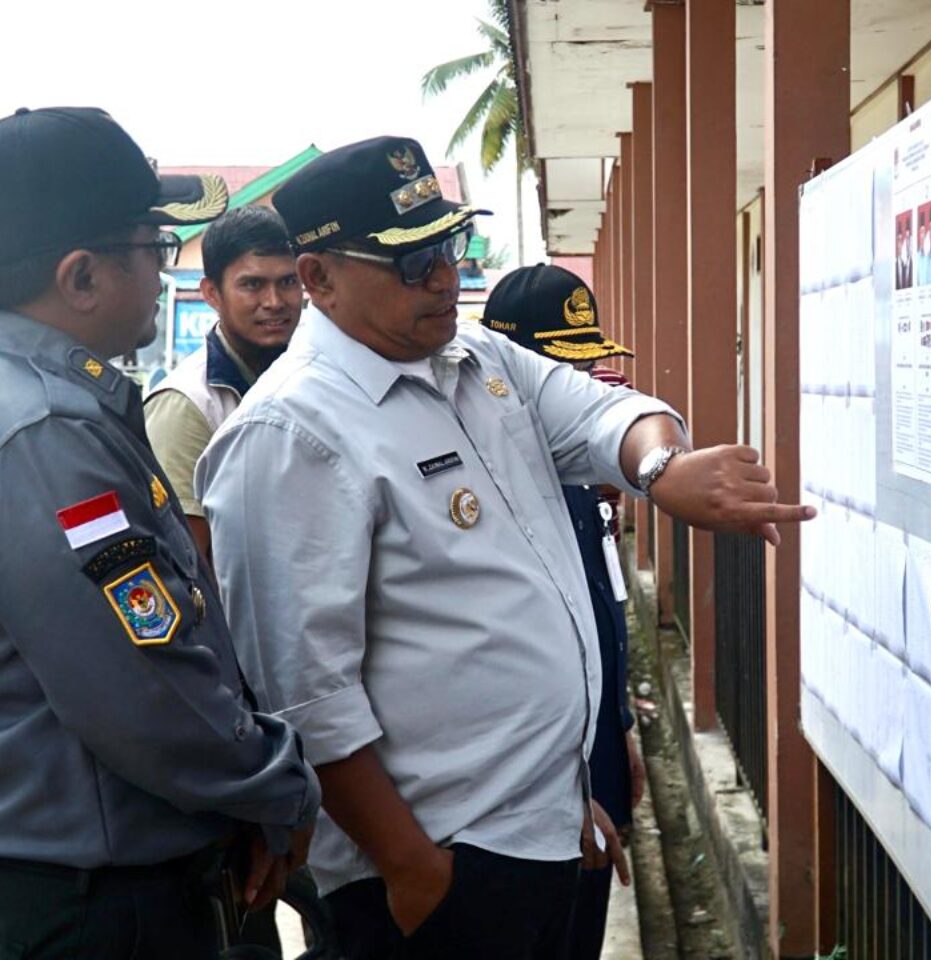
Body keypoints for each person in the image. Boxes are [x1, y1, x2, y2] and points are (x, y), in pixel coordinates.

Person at [195, 134, 813, 960]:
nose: (445, 278)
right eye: (409, 263)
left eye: (446, 247)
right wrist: (415, 871)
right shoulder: (293, 433)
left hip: (543, 829)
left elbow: (604, 416)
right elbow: (308, 697)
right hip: (434, 871)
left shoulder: (475, 358)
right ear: (319, 278)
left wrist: (662, 467)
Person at [0, 105, 319, 960]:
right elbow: (145, 684)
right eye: (154, 245)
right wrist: (275, 785)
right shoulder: (46, 435)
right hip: (93, 905)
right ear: (80, 277)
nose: (164, 266)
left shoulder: (53, 408)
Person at [482, 265, 644, 960]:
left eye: (586, 365)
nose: (574, 386)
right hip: (533, 789)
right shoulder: (485, 484)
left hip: (595, 753)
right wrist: (562, 792)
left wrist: (622, 728)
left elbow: (597, 619)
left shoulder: (571, 469)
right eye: (556, 365)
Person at [145, 205, 304, 560]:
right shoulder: (187, 404)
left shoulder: (318, 376)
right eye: (252, 285)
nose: (275, 302)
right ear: (212, 293)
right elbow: (188, 563)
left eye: (288, 282)